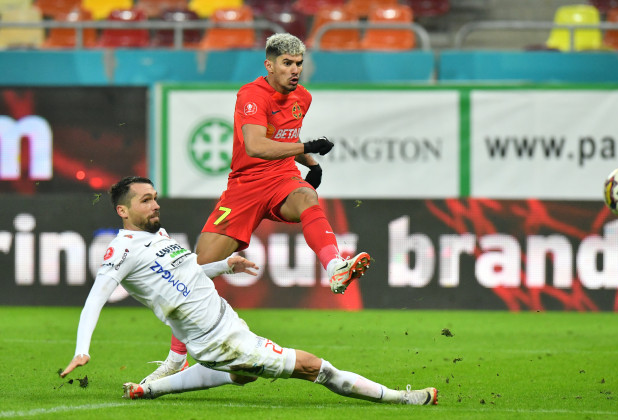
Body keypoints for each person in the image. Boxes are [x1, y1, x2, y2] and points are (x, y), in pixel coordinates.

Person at [61, 176, 438, 406]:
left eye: (155, 196)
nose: (156, 203)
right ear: (123, 212)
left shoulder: (158, 237)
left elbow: (189, 272)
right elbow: (96, 297)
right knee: (314, 367)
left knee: (242, 376)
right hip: (217, 340)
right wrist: (82, 349)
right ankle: (400, 397)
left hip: (225, 327)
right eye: (146, 200)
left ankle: (150, 391)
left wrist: (225, 265)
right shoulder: (121, 250)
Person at [141, 32, 372, 384]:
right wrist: (307, 146)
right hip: (244, 188)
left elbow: (284, 139)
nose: (295, 70)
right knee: (198, 268)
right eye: (287, 63)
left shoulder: (302, 97)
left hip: (281, 179)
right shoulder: (251, 95)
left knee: (309, 198)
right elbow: (256, 145)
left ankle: (336, 267)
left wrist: (311, 163)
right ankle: (177, 357)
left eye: (298, 64)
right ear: (269, 65)